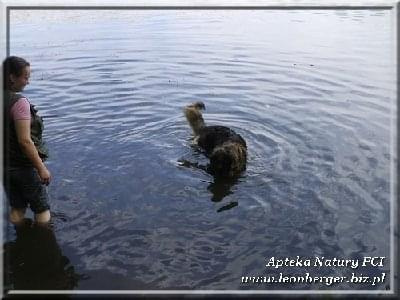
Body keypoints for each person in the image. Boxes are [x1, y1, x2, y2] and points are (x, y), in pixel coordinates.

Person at [3, 56, 51, 224]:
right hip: (23, 167)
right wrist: (41, 168)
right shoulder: (19, 103)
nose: (27, 82)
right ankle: (43, 243)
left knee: (17, 208)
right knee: (42, 208)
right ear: (11, 77)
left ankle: (19, 240)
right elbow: (25, 141)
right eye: (25, 77)